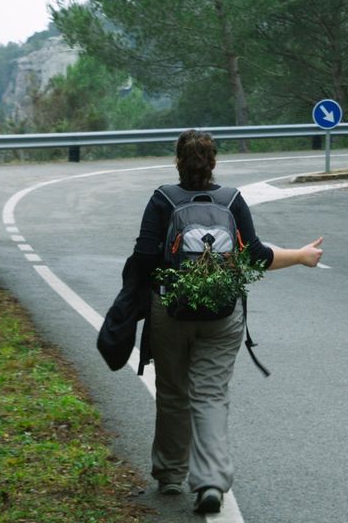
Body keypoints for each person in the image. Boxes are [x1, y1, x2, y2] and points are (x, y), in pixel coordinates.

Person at [132, 129, 323, 514]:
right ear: (213, 162)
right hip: (222, 316)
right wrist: (301, 255)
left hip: (170, 311)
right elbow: (255, 256)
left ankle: (170, 474)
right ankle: (211, 483)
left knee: (173, 392)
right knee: (210, 395)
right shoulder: (231, 200)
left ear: (178, 162)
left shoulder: (162, 199)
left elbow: (143, 259)